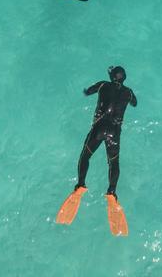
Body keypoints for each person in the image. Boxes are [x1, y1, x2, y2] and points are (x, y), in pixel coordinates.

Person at [54, 65, 135, 236]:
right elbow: (135, 103)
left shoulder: (103, 85)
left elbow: (87, 91)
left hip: (99, 128)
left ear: (111, 76)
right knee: (114, 163)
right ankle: (112, 193)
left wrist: (82, 89)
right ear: (124, 79)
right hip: (114, 131)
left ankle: (80, 186)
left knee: (85, 156)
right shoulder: (129, 93)